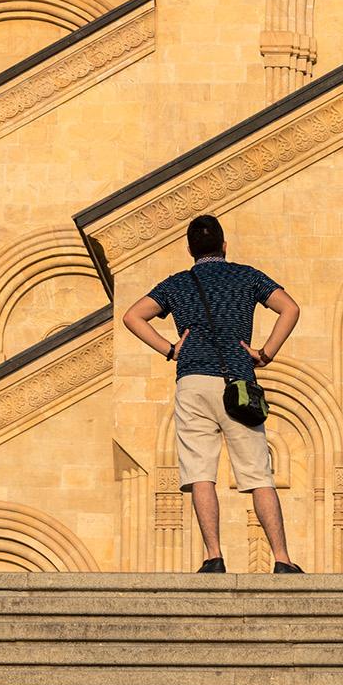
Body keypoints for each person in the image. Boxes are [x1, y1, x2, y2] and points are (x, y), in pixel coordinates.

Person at [122, 213, 303, 574]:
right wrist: (265, 352)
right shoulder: (247, 275)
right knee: (258, 474)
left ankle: (214, 556)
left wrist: (170, 349)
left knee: (200, 472)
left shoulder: (177, 283)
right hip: (237, 383)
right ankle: (281, 560)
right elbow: (290, 308)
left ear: (190, 249)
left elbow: (132, 316)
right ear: (224, 245)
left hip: (192, 384)